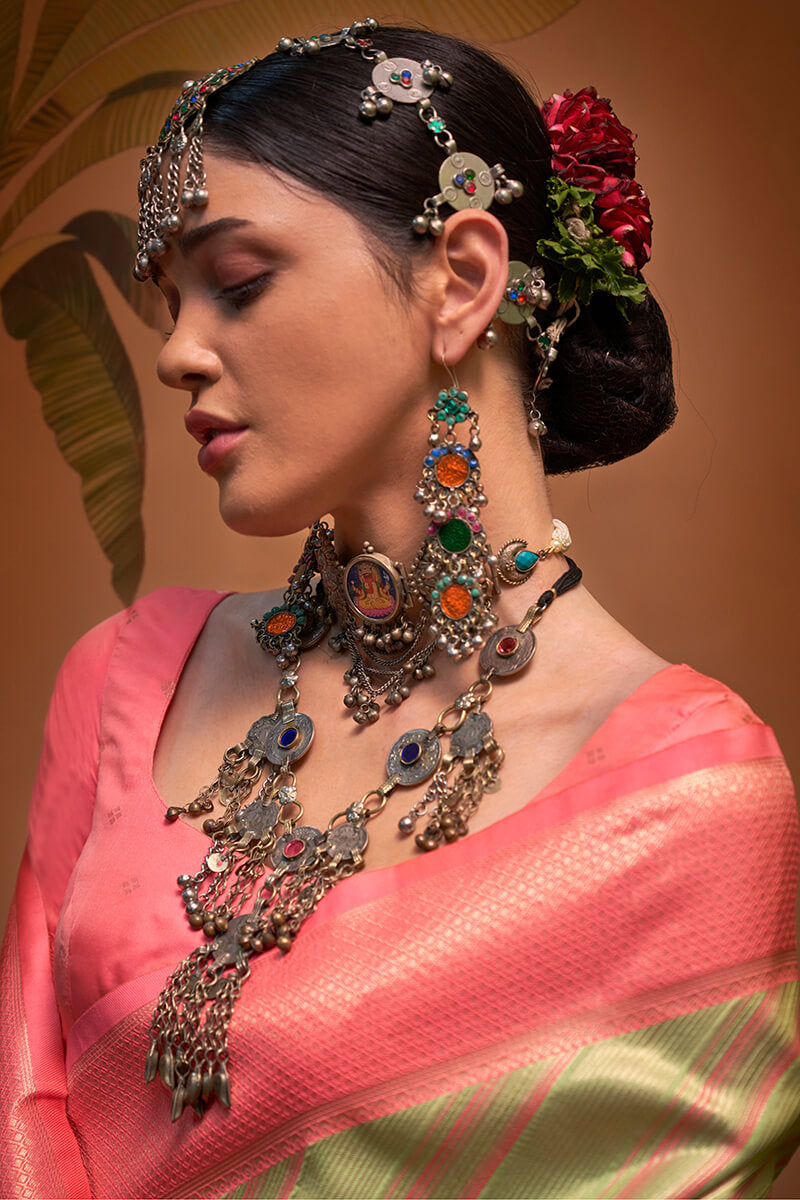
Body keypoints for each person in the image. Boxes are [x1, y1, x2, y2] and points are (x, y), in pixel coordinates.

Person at [1, 20, 798, 1200]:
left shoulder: (688, 808)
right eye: (169, 303)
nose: (177, 354)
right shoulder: (129, 677)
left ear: (461, 281)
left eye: (236, 284)